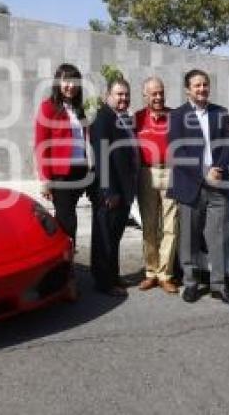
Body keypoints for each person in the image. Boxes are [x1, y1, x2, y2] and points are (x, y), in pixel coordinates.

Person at [168, 69, 229, 306]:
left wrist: (217, 168)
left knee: (217, 237)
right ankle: (190, 283)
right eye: (197, 85)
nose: (202, 89)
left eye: (205, 84)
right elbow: (178, 152)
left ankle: (218, 286)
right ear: (188, 89)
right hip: (191, 186)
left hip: (218, 184)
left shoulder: (221, 113)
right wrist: (203, 172)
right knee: (188, 237)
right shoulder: (177, 116)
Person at [33, 63, 93, 245]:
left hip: (79, 171)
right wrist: (45, 180)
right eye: (67, 81)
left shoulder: (78, 109)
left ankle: (64, 258)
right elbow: (41, 145)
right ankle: (66, 263)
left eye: (75, 82)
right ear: (58, 83)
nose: (71, 86)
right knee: (67, 220)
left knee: (68, 216)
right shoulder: (48, 107)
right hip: (61, 175)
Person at [90, 78, 138, 296]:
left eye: (126, 95)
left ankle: (112, 276)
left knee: (114, 236)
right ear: (108, 94)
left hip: (123, 190)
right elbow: (101, 157)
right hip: (111, 191)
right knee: (105, 238)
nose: (124, 98)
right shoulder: (103, 119)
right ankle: (105, 283)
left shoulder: (123, 119)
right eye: (119, 94)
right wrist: (109, 190)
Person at [134, 77, 179, 294]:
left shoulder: (176, 117)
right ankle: (151, 272)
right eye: (154, 94)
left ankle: (165, 274)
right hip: (146, 173)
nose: (159, 97)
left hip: (170, 172)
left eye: (161, 93)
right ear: (145, 96)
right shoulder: (137, 118)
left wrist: (227, 128)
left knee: (171, 226)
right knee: (149, 225)